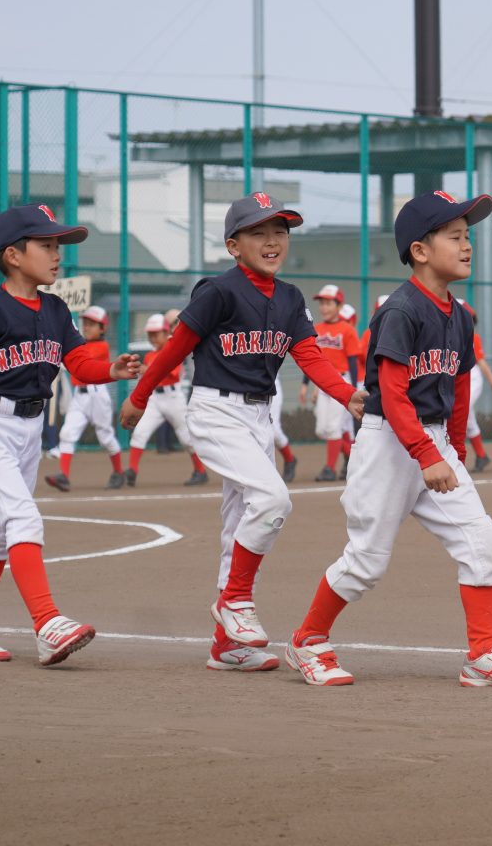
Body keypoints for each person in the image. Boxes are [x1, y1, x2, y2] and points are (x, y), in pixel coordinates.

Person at [283, 190, 492, 690]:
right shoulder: (401, 309)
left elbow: (459, 384)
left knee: (483, 541)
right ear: (420, 250)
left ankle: (483, 655)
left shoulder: (460, 315)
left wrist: (455, 452)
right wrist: (427, 453)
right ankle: (308, 640)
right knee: (366, 561)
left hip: (435, 442)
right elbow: (394, 393)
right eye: (455, 236)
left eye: (468, 237)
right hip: (389, 444)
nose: (467, 247)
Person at [119, 193, 362, 673]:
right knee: (273, 500)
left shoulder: (291, 298)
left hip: (259, 418)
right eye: (258, 232)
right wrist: (141, 394)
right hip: (215, 410)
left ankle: (225, 647)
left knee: (238, 527)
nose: (272, 241)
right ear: (233, 244)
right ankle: (234, 601)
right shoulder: (218, 291)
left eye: (281, 231)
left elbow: (309, 355)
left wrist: (346, 393)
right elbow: (175, 349)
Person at [0, 204, 142, 666]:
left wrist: (110, 370)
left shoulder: (54, 309)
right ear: (12, 255)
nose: (57, 254)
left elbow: (79, 363)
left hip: (31, 427)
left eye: (58, 246)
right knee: (23, 518)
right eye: (46, 245)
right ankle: (47, 623)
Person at [45, 306, 125, 490]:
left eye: (92, 324)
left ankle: (118, 472)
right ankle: (64, 476)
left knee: (105, 438)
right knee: (67, 433)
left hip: (97, 396)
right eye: (85, 324)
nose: (87, 327)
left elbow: (84, 360)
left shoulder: (101, 346)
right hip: (79, 396)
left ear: (103, 328)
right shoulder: (79, 344)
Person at [126, 313, 209, 487]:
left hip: (174, 398)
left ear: (166, 333)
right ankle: (132, 470)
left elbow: (171, 373)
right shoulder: (149, 355)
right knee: (140, 433)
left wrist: (145, 369)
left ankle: (200, 471)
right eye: (150, 334)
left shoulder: (173, 350)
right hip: (155, 399)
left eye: (157, 333)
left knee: (186, 437)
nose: (153, 337)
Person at [305, 285, 362, 482]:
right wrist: (308, 386)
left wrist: (353, 391)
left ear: (339, 306)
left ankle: (329, 468)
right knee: (322, 430)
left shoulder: (347, 330)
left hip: (342, 380)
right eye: (322, 303)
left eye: (329, 303)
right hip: (322, 384)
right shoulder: (316, 329)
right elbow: (311, 359)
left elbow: (353, 363)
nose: (324, 307)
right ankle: (355, 458)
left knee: (334, 428)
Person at [462, 308, 492, 474]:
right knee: (467, 417)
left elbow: (481, 362)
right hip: (455, 380)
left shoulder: (472, 337)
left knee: (460, 412)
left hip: (472, 378)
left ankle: (458, 456)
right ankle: (481, 455)